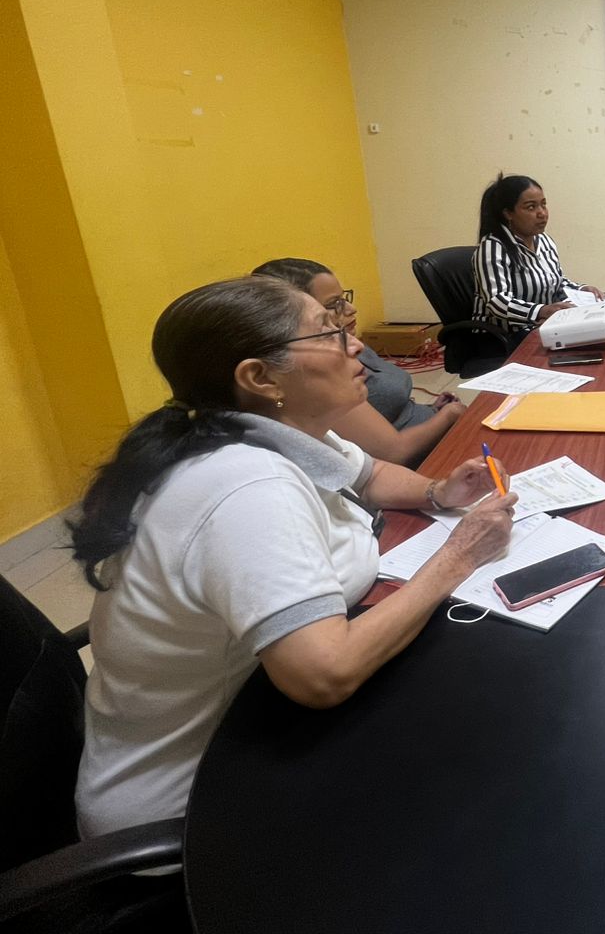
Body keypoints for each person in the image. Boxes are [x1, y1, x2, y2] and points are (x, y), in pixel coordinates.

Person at [69, 276, 518, 839]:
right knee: (493, 756)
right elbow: (324, 675)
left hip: (265, 722)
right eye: (328, 333)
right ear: (260, 377)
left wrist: (437, 492)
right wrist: (458, 557)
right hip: (199, 806)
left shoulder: (271, 430)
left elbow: (370, 474)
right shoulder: (245, 486)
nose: (355, 343)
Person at [253, 257, 465, 467]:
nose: (351, 308)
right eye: (334, 304)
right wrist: (450, 414)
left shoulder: (347, 340)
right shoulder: (319, 381)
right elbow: (393, 454)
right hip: (424, 459)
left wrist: (430, 409)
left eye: (344, 298)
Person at [472, 173, 602, 335]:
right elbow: (497, 302)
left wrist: (581, 289)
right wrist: (541, 311)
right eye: (531, 207)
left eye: (543, 204)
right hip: (502, 337)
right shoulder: (492, 247)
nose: (542, 213)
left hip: (540, 327)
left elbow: (556, 282)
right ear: (508, 213)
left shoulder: (544, 240)